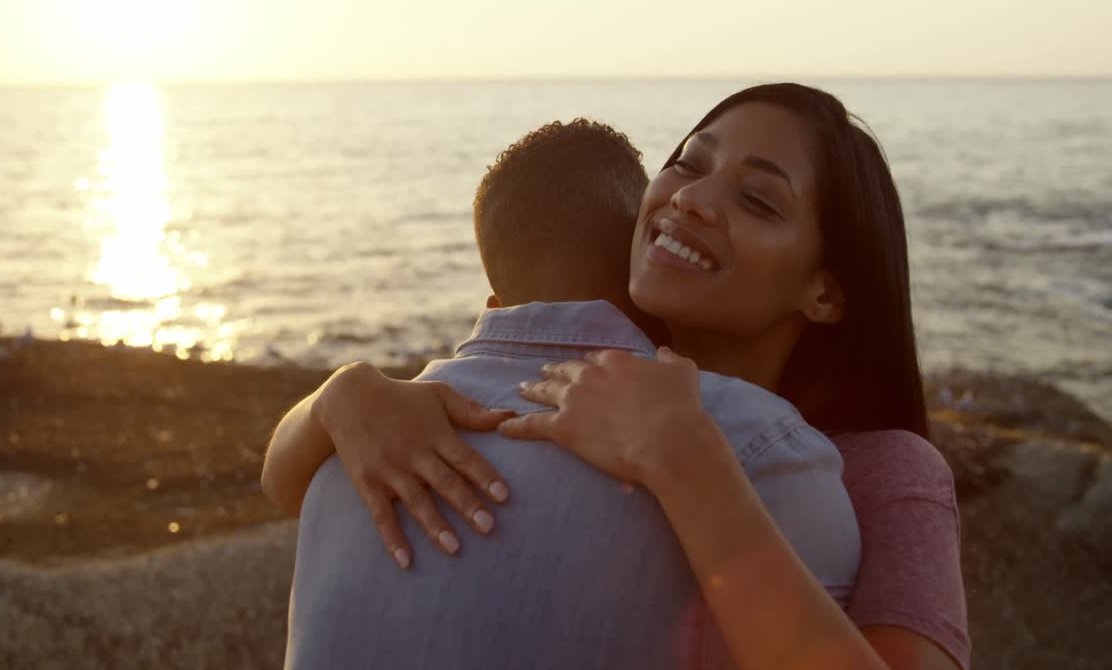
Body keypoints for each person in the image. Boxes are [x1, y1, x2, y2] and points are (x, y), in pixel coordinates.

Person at [263, 84, 970, 669]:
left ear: (825, 292)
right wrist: (338, 396)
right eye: (689, 165)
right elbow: (287, 486)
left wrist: (684, 460)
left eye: (757, 201)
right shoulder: (562, 399)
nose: (690, 198)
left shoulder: (880, 469)